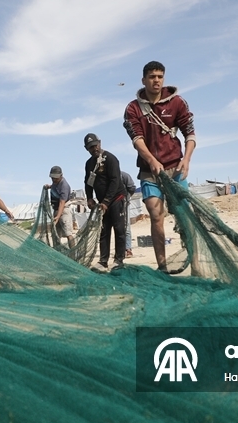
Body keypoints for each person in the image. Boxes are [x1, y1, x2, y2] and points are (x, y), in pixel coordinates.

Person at [123, 60, 197, 271]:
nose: (156, 80)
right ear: (143, 80)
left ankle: (195, 262)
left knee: (185, 217)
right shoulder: (133, 108)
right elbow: (136, 138)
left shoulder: (177, 103)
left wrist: (187, 159)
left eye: (160, 76)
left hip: (176, 169)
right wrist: (152, 160)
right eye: (152, 77)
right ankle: (162, 266)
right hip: (149, 171)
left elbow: (190, 134)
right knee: (156, 214)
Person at [83, 134, 126, 272]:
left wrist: (107, 201)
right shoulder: (89, 164)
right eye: (90, 147)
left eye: (95, 145)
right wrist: (89, 198)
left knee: (119, 229)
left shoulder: (111, 159)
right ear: (86, 149)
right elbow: (88, 183)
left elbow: (115, 181)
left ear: (100, 143)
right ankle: (103, 261)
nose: (94, 148)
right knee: (104, 230)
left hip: (116, 198)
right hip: (102, 203)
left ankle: (119, 260)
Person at [46, 165, 75, 249]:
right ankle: (58, 252)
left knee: (68, 233)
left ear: (61, 176)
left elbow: (62, 203)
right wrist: (49, 186)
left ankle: (73, 254)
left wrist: (58, 216)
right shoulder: (55, 183)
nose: (54, 180)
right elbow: (55, 187)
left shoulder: (64, 186)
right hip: (56, 209)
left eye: (56, 178)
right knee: (56, 234)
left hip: (64, 210)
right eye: (52, 178)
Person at [121, 171, 137, 258]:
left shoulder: (124, 176)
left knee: (126, 227)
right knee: (117, 228)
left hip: (124, 203)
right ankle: (120, 250)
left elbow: (132, 188)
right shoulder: (108, 176)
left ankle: (128, 249)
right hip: (112, 205)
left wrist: (126, 198)